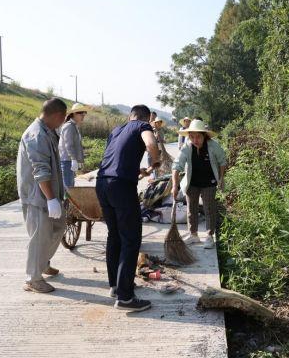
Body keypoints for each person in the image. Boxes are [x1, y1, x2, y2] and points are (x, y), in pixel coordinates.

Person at [95, 105, 161, 312]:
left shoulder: (116, 130)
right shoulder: (143, 126)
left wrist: (139, 170)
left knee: (114, 235)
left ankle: (116, 286)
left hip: (103, 184)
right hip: (121, 187)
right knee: (131, 240)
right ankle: (125, 298)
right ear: (147, 118)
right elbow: (151, 143)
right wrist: (156, 160)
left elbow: (117, 159)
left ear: (129, 115)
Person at [17, 98, 67, 293]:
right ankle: (33, 279)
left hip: (48, 193)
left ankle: (43, 263)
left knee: (59, 227)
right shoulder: (36, 135)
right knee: (39, 237)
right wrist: (51, 199)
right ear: (58, 116)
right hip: (37, 196)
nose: (63, 123)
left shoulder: (48, 131)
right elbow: (41, 171)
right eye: (63, 118)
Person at [171, 119, 227, 249]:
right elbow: (176, 166)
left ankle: (209, 236)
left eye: (198, 137)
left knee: (209, 208)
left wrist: (221, 178)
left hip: (209, 182)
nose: (195, 140)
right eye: (192, 137)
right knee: (191, 209)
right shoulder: (187, 147)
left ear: (204, 135)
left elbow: (222, 161)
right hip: (192, 182)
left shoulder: (213, 146)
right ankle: (193, 234)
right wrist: (175, 185)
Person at [59, 103, 88, 189]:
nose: (83, 115)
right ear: (74, 114)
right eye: (80, 113)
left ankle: (68, 202)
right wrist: (73, 159)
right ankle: (66, 202)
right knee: (68, 188)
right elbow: (69, 145)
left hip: (69, 161)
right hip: (67, 161)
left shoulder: (74, 126)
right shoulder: (69, 126)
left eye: (84, 113)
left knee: (70, 186)